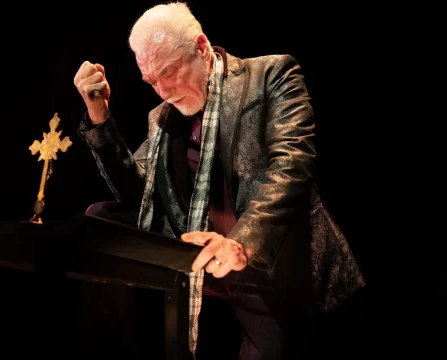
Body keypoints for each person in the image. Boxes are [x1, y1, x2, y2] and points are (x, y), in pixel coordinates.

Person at [73, 2, 365, 359]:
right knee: (101, 219)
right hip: (204, 250)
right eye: (151, 81)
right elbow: (140, 193)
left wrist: (241, 244)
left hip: (271, 258)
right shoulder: (164, 117)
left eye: (169, 71)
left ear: (201, 48)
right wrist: (99, 116)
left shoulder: (271, 76)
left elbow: (292, 167)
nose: (163, 91)